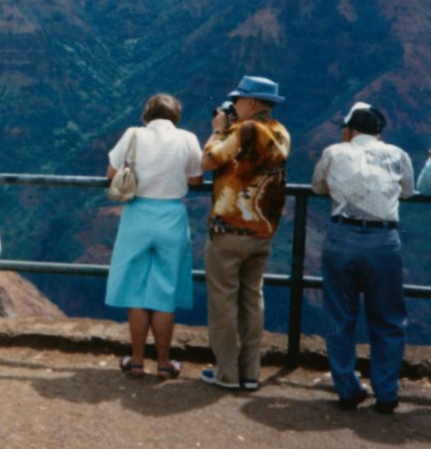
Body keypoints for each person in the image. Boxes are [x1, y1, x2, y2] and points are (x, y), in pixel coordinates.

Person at [311, 102, 413, 414]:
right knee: (388, 319)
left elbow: (317, 187)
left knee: (340, 316)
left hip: (342, 238)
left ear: (348, 130)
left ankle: (347, 389)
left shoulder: (334, 152)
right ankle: (386, 393)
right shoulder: (398, 155)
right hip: (383, 241)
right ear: (379, 133)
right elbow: (407, 191)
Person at [198, 75, 290, 391]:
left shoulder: (244, 130)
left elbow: (207, 160)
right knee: (252, 298)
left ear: (250, 102)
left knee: (223, 300)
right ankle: (251, 372)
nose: (234, 105)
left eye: (238, 100)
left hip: (230, 230)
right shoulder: (281, 132)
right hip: (263, 231)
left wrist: (217, 129)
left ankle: (227, 373)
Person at [105, 94, 203, 380]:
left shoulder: (133, 134)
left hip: (137, 214)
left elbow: (112, 172)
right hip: (171, 216)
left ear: (147, 114)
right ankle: (163, 362)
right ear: (176, 117)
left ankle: (136, 361)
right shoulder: (187, 138)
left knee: (136, 289)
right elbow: (196, 179)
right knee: (165, 289)